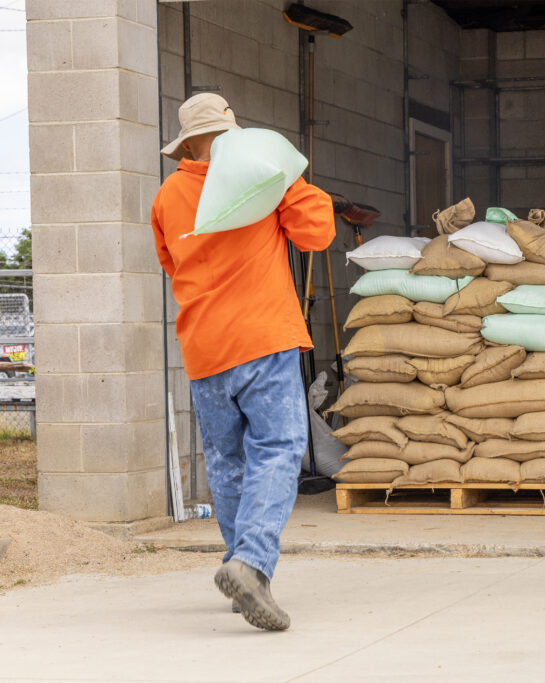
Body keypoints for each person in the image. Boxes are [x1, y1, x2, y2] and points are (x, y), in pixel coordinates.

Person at [151, 93, 335, 630]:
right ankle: (251, 564)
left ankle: (241, 571)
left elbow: (170, 263)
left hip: (204, 348)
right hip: (263, 338)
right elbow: (317, 232)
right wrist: (289, 179)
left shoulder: (166, 196)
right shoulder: (262, 177)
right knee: (278, 449)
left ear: (187, 144)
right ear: (231, 133)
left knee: (228, 462)